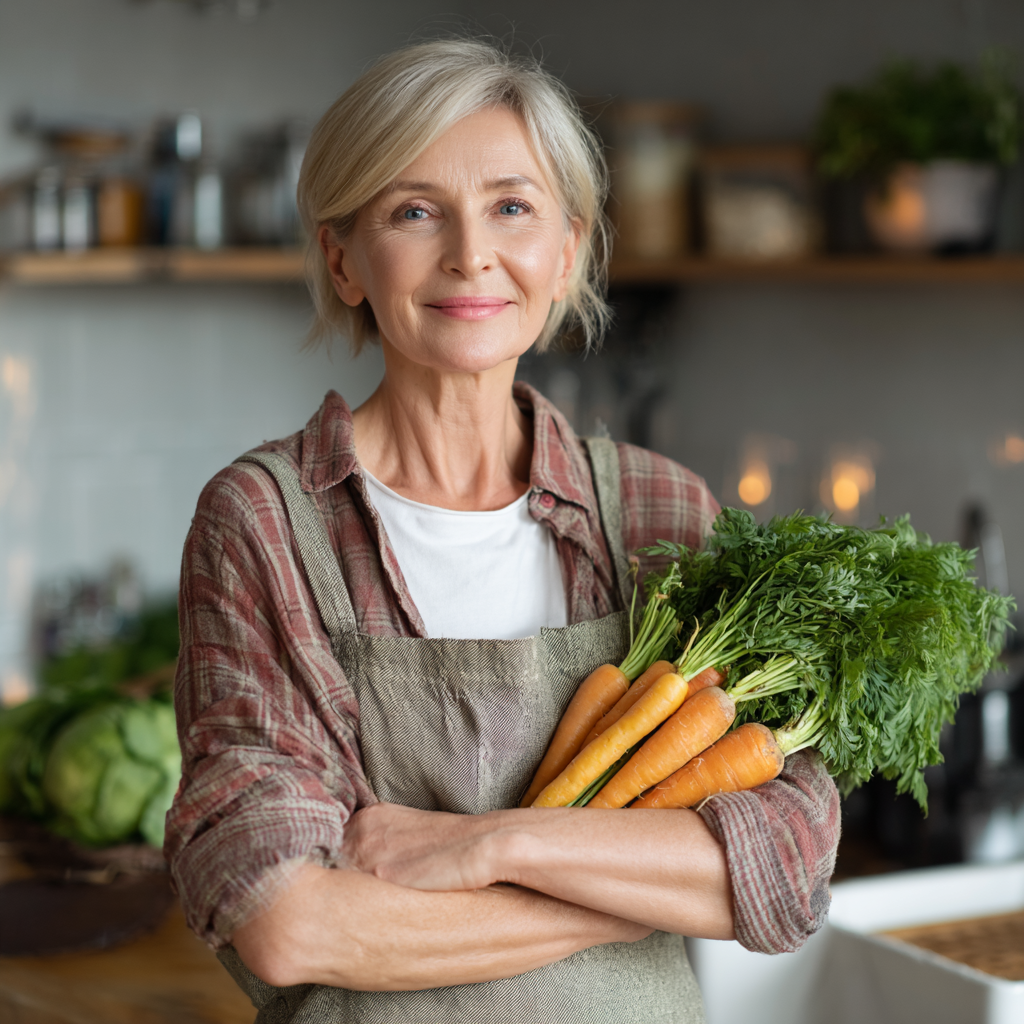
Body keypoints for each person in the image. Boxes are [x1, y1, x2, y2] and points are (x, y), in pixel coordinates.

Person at [167, 39, 839, 1023]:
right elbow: (288, 918)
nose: (470, 254)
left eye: (511, 207)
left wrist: (496, 844)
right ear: (343, 257)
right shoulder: (264, 525)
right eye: (413, 210)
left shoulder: (662, 515)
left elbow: (785, 861)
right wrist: (627, 897)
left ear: (565, 252)